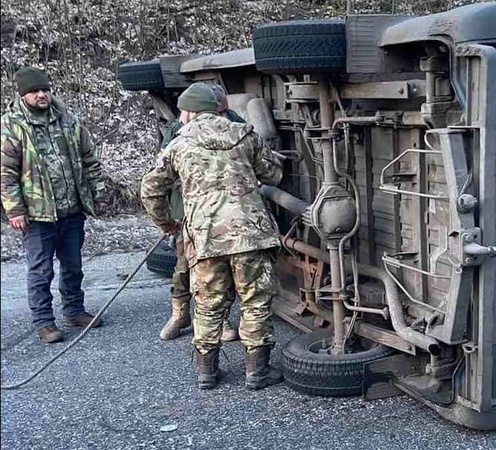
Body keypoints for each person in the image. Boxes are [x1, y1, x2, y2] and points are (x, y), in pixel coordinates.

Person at [141, 83, 284, 390]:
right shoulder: (245, 134)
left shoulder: (178, 145)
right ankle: (257, 372)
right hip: (249, 234)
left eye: (182, 111)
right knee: (255, 301)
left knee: (208, 303)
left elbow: (150, 188)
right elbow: (273, 174)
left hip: (205, 238)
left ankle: (207, 372)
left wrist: (167, 223)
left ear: (190, 111)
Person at [0, 67, 107, 343]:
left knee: (73, 265)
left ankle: (74, 310)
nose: (41, 95)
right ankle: (44, 322)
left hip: (71, 209)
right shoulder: (11, 125)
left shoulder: (67, 119)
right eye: (35, 91)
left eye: (45, 89)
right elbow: (5, 173)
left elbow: (89, 158)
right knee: (41, 270)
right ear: (23, 95)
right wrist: (15, 210)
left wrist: (98, 192)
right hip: (37, 215)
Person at [157, 84, 243, 342]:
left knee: (221, 270)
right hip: (189, 208)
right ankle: (180, 314)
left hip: (227, 210)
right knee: (184, 264)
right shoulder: (178, 130)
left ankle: (221, 318)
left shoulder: (235, 124)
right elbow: (162, 172)